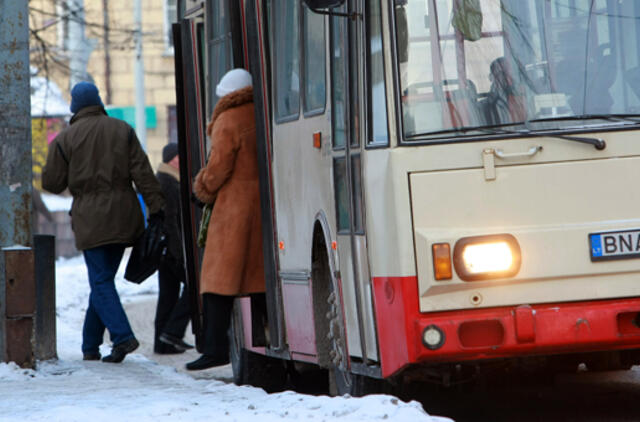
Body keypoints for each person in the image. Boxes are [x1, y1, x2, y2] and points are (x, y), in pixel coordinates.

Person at [42, 81, 165, 363]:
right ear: (98, 102)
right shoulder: (122, 130)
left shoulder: (65, 139)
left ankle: (122, 337)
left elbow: (51, 182)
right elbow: (143, 174)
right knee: (103, 280)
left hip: (90, 219)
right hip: (125, 216)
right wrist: (157, 208)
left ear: (74, 106)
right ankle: (90, 347)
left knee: (100, 281)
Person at [188, 68, 265, 371]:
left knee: (217, 283)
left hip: (234, 209)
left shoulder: (228, 120)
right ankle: (266, 341)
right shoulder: (259, 112)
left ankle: (214, 347)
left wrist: (202, 187)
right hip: (261, 206)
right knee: (260, 280)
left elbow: (219, 166)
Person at [154, 143, 193, 354]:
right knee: (195, 287)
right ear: (170, 160)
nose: (180, 160)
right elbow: (170, 220)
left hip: (166, 248)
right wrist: (177, 252)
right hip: (172, 249)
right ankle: (172, 332)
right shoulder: (168, 181)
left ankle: (162, 342)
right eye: (177, 157)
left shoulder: (167, 178)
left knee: (167, 294)